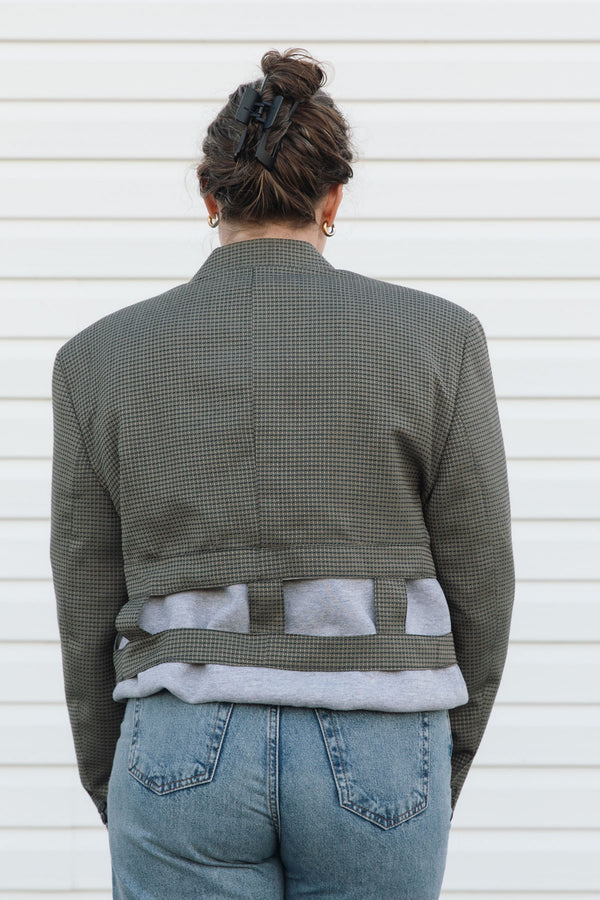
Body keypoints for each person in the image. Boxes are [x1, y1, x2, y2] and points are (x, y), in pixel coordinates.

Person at [50, 48, 514, 899]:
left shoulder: (97, 358)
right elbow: (482, 580)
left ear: (209, 196)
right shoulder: (440, 338)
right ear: (333, 197)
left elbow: (85, 596)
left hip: (181, 743)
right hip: (382, 737)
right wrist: (446, 754)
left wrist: (110, 777)